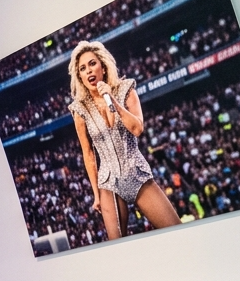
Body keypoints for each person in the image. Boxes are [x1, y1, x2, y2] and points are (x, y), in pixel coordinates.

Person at [67, 41, 180, 241]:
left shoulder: (126, 90)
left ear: (102, 65)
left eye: (92, 64)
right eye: (82, 69)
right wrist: (96, 194)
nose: (88, 71)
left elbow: (137, 129)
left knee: (177, 230)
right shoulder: (79, 110)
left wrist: (112, 100)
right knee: (118, 246)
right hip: (108, 184)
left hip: (137, 174)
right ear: (80, 77)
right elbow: (88, 154)